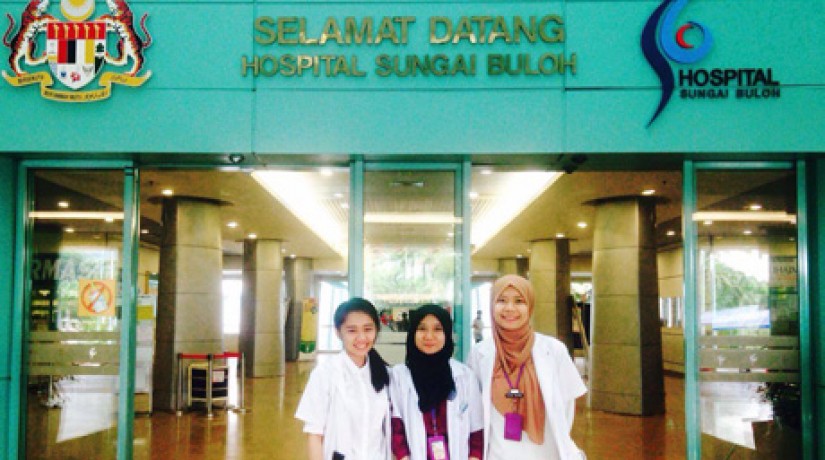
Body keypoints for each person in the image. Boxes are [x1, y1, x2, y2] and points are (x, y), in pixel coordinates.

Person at [468, 275, 587, 460]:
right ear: (492, 305)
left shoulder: (553, 350)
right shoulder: (479, 353)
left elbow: (565, 408)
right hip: (498, 452)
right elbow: (475, 409)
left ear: (530, 306)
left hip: (545, 451)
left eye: (518, 301)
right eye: (501, 300)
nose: (509, 308)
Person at [295, 297, 392, 460]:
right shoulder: (325, 374)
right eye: (352, 330)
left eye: (368, 329)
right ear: (338, 332)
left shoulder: (384, 373)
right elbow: (314, 434)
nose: (361, 338)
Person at [390, 304, 484, 460]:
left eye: (437, 329)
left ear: (447, 334)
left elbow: (476, 432)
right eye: (422, 329)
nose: (429, 336)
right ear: (412, 333)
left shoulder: (465, 376)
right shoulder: (400, 376)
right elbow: (396, 429)